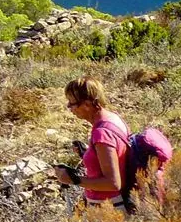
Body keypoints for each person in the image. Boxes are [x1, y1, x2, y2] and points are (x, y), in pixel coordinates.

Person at [51, 77, 129, 212]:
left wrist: (73, 179)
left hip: (107, 209)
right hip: (112, 204)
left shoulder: (102, 133)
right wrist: (87, 153)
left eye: (72, 103)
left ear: (87, 104)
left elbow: (113, 183)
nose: (69, 108)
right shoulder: (114, 119)